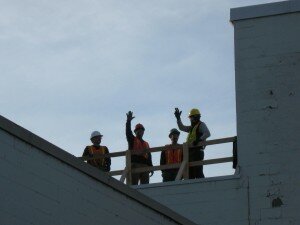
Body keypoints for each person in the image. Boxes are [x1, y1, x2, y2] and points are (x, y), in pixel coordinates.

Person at [174, 108, 210, 179]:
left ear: (196, 117)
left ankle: (202, 186)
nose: (190, 119)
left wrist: (199, 140)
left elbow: (207, 133)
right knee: (190, 173)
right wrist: (178, 119)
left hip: (197, 152)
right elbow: (182, 128)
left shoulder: (201, 125)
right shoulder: (192, 127)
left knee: (198, 172)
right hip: (190, 152)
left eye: (191, 117)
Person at [126, 111, 153, 185]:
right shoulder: (132, 139)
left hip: (145, 166)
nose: (140, 131)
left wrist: (151, 167)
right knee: (133, 186)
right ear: (135, 131)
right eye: (138, 130)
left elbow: (149, 156)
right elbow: (128, 132)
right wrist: (128, 121)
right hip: (135, 165)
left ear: (143, 132)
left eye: (141, 130)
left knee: (145, 187)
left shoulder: (146, 144)